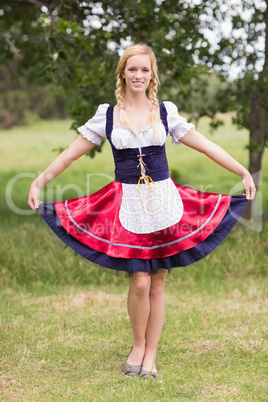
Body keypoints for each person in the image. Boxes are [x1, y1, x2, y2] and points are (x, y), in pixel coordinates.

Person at [28, 44, 256, 378]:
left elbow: (206, 145)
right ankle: (137, 345)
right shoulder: (107, 115)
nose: (138, 75)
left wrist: (242, 171)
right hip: (127, 205)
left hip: (163, 202)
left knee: (158, 283)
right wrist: (39, 180)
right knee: (138, 281)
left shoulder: (165, 112)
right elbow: (70, 154)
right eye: (132, 69)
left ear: (152, 75)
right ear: (123, 73)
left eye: (145, 70)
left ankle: (151, 353)